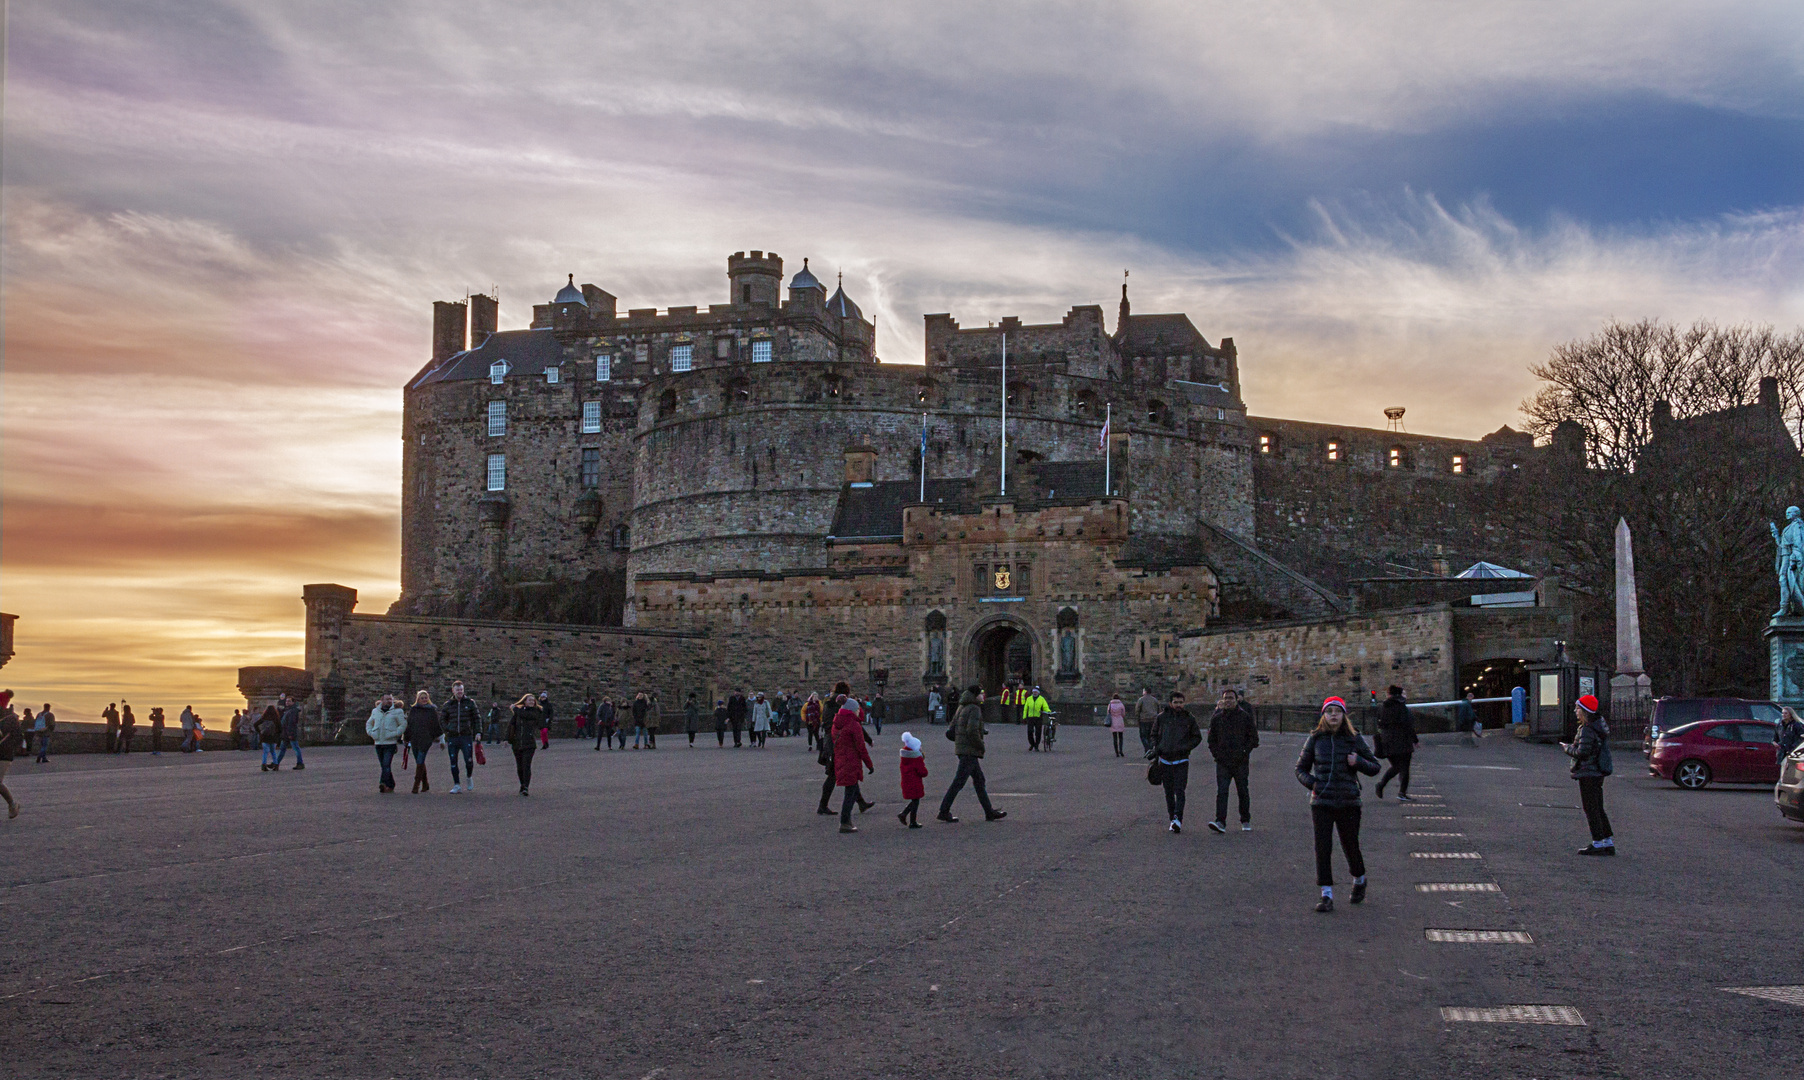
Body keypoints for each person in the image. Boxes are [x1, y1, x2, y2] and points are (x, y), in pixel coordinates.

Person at [1295, 696, 1381, 913]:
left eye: (1337, 711)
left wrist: (1358, 762)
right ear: (1324, 715)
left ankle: (1359, 879)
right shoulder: (1315, 739)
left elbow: (1375, 766)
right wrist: (1313, 783)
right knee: (1322, 847)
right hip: (1321, 801)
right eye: (1329, 711)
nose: (1333, 715)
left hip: (1348, 801)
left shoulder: (1354, 739)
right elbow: (1300, 769)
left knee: (1350, 844)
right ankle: (1326, 894)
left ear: (1344, 715)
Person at [938, 686, 1005, 824]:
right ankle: (944, 811)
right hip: (969, 751)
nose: (983, 695)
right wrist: (980, 745)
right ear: (975, 696)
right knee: (959, 782)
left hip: (963, 749)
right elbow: (971, 730)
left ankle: (989, 812)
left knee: (979, 780)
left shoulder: (961, 707)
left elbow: (952, 729)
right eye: (981, 693)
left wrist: (961, 741)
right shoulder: (974, 709)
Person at [1561, 694, 1616, 856]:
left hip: (1588, 772)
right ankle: (1607, 841)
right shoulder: (1598, 726)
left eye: (1578, 708)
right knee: (1598, 807)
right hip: (1597, 772)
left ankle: (1597, 842)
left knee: (1590, 808)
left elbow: (1582, 752)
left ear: (1584, 711)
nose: (1575, 711)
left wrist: (1567, 748)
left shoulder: (1587, 729)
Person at [1206, 688, 1259, 833]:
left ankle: (1245, 820)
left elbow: (1254, 739)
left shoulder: (1245, 717)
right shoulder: (1217, 718)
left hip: (1240, 761)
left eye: (1231, 698)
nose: (1228, 701)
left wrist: (1243, 752)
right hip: (1223, 761)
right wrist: (1216, 754)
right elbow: (1211, 740)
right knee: (1222, 791)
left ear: (1236, 700)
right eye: (1226, 698)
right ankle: (1220, 821)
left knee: (1242, 791)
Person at [1150, 692, 1202, 833]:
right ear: (1170, 703)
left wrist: (1186, 747)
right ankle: (1172, 818)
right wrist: (1158, 747)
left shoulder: (1189, 718)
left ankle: (1178, 818)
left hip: (1181, 760)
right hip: (1165, 760)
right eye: (1176, 702)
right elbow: (1153, 734)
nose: (1178, 705)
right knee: (1168, 792)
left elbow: (1197, 737)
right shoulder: (1161, 718)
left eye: (1181, 702)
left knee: (1180, 790)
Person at [831, 693, 875, 833]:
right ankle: (845, 822)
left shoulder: (837, 722)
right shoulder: (853, 724)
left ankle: (862, 805)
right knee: (849, 793)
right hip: (851, 760)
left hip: (841, 758)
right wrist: (869, 764)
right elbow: (861, 747)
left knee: (852, 787)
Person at [1374, 684, 1419, 802]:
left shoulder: (1382, 707)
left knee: (1396, 766)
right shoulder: (1402, 707)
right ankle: (1401, 792)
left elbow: (1379, 724)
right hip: (1403, 741)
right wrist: (1415, 740)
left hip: (1387, 741)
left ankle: (1382, 785)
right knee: (1404, 767)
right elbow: (1408, 725)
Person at [439, 680, 482, 793]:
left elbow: (477, 718)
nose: (460, 692)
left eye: (461, 689)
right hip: (453, 737)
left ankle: (468, 776)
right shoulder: (448, 704)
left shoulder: (470, 703)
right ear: (453, 690)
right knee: (453, 761)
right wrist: (447, 729)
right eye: (457, 689)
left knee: (468, 760)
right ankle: (457, 784)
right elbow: (442, 719)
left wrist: (478, 732)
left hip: (465, 736)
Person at [365, 694, 406, 793]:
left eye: (391, 699)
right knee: (384, 765)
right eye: (387, 699)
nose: (389, 701)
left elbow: (403, 724)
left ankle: (383, 783)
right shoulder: (375, 711)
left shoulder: (397, 711)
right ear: (382, 700)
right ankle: (391, 784)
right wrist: (371, 732)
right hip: (378, 742)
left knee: (386, 764)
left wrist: (395, 733)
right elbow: (369, 723)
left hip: (390, 743)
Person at [405, 690, 442, 794]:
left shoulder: (431, 710)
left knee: (420, 760)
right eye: (422, 698)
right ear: (418, 699)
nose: (424, 700)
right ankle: (425, 784)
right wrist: (406, 738)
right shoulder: (414, 710)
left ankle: (416, 784)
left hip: (425, 739)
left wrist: (439, 737)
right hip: (415, 738)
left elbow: (435, 724)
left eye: (426, 698)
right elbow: (409, 724)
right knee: (419, 761)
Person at [507, 693, 543, 795]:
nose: (532, 702)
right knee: (520, 767)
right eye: (529, 700)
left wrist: (515, 709)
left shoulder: (536, 712)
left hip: (529, 743)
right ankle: (522, 784)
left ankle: (526, 787)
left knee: (526, 765)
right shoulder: (518, 713)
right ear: (525, 702)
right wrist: (507, 738)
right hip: (517, 743)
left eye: (533, 700)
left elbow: (527, 715)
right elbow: (511, 725)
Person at [897, 731, 928, 829]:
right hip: (915, 783)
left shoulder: (905, 757)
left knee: (914, 800)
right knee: (915, 801)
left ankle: (904, 814)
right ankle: (912, 821)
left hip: (906, 782)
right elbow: (923, 772)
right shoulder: (916, 759)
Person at [0, 691, 21, 818]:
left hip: (3, 755)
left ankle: (12, 804)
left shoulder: (11, 719)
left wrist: (6, 741)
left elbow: (18, 738)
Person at [275, 696, 305, 769]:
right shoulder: (288, 710)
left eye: (289, 701)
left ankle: (300, 763)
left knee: (295, 748)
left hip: (290, 733)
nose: (287, 702)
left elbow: (291, 723)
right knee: (283, 749)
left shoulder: (293, 711)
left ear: (293, 702)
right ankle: (276, 763)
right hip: (286, 733)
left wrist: (290, 734)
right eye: (286, 701)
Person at [1022, 685, 1051, 751]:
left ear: (1038, 693)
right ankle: (1032, 743)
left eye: (1036, 692)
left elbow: (1045, 707)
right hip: (1030, 717)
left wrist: (1048, 711)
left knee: (1038, 732)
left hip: (1038, 717)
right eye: (1034, 692)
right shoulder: (1029, 699)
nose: (1035, 693)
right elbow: (1025, 708)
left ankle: (1036, 745)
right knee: (1030, 731)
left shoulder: (1041, 699)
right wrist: (1024, 717)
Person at [255, 705, 282, 771]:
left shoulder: (264, 718)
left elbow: (255, 724)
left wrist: (260, 731)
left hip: (264, 737)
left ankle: (264, 765)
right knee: (273, 752)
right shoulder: (276, 719)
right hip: (273, 737)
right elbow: (280, 729)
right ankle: (276, 765)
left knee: (265, 752)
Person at [1135, 687, 1160, 757]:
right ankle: (1149, 749)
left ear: (1145, 692)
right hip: (1153, 720)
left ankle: (1148, 748)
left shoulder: (1141, 700)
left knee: (1143, 736)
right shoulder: (1155, 700)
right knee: (1151, 736)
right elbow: (1159, 709)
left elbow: (1137, 710)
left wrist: (1138, 718)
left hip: (1144, 720)